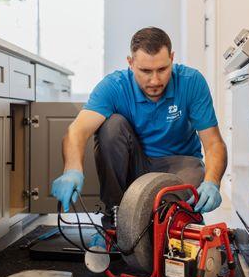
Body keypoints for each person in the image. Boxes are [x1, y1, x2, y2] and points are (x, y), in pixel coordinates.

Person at [51, 27, 227, 227]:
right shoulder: (114, 86)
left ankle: (164, 219)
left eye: (162, 69)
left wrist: (212, 182)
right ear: (131, 63)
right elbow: (77, 132)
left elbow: (214, 143)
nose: (155, 80)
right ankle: (114, 219)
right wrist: (72, 170)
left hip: (179, 165)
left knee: (171, 210)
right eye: (145, 71)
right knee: (111, 125)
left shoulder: (191, 82)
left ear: (172, 58)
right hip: (134, 164)